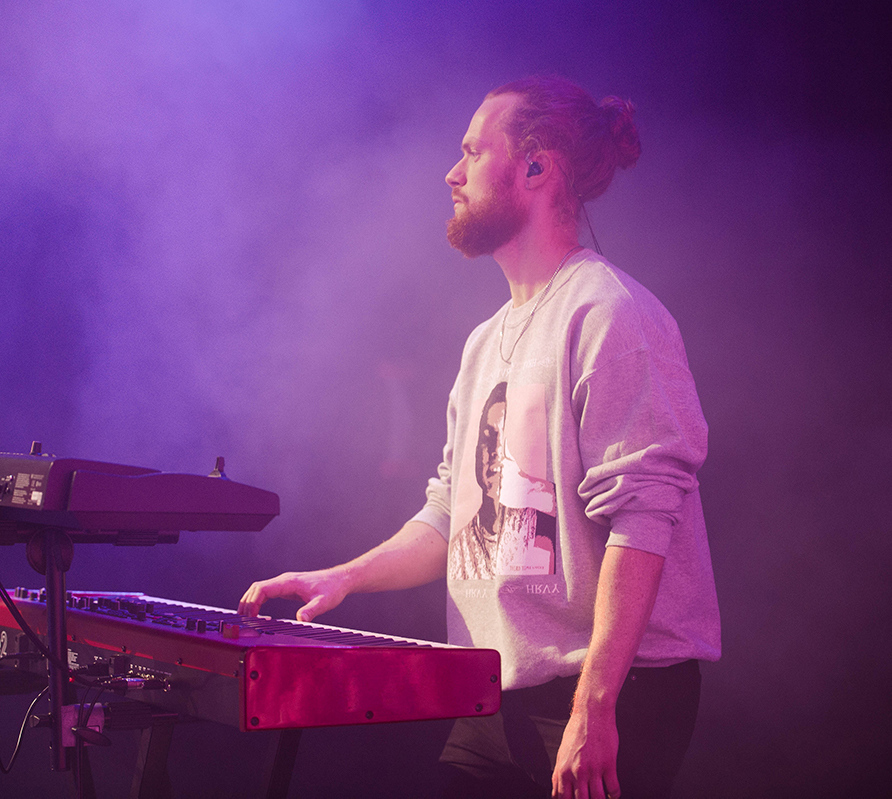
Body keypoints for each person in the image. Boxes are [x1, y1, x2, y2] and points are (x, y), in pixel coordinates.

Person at [240, 75, 720, 799]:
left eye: (471, 151)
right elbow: (451, 516)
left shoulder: (609, 313)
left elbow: (645, 516)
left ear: (534, 167)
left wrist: (594, 707)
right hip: (496, 692)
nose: (451, 172)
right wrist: (344, 576)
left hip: (613, 690)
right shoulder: (482, 343)